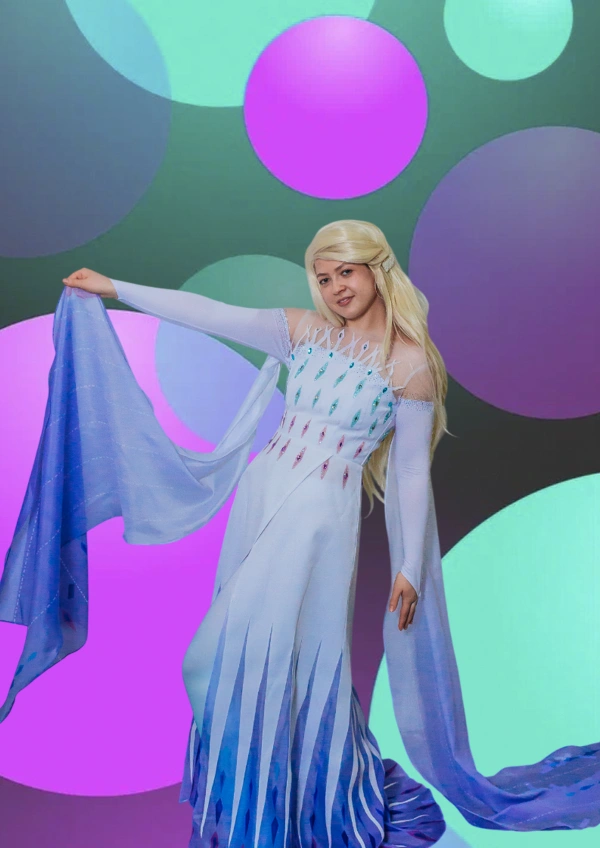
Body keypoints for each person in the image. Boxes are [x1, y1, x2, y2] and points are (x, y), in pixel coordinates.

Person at [1, 220, 598, 847]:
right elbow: (209, 313)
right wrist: (115, 287)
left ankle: (284, 806)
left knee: (210, 665)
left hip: (317, 522)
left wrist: (409, 567)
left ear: (376, 270)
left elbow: (410, 471)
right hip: (261, 499)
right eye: (323, 276)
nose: (337, 287)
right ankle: (268, 804)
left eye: (347, 272)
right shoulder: (304, 331)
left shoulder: (410, 365)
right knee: (251, 666)